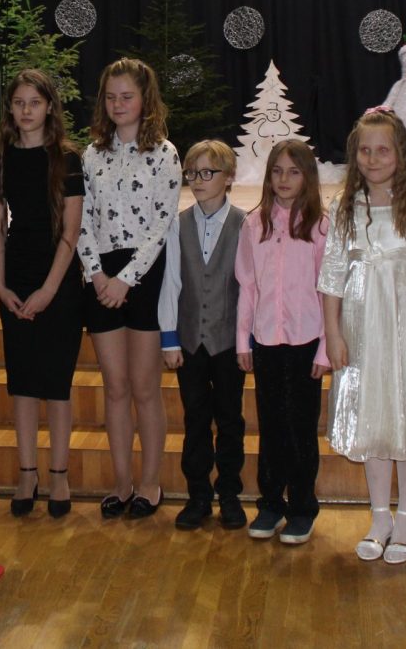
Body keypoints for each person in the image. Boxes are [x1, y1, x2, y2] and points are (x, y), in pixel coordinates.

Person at [318, 108, 406, 566]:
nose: (373, 159)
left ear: (401, 154)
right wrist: (333, 332)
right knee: (372, 417)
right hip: (362, 323)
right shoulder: (344, 205)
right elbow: (332, 273)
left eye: (382, 150)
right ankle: (379, 517)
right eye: (365, 151)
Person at [76, 58, 181, 519]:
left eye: (127, 96)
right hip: (100, 276)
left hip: (144, 274)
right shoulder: (90, 155)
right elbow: (79, 220)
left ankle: (151, 483)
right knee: (115, 386)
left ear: (145, 99)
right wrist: (98, 274)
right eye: (111, 97)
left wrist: (126, 279)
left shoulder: (164, 153)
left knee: (144, 388)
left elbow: (162, 224)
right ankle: (122, 483)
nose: (118, 105)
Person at [0, 69, 85, 518]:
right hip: (17, 274)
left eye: (35, 102)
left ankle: (59, 474)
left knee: (56, 384)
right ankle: (27, 472)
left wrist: (49, 288)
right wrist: (0, 283)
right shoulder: (1, 160)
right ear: (10, 108)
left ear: (49, 107)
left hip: (58, 279)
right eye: (19, 102)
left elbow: (71, 231)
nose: (26, 110)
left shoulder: (67, 158)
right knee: (23, 383)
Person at [236, 140, 331, 546]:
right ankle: (271, 504)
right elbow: (247, 285)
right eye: (277, 171)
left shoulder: (321, 226)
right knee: (271, 425)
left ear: (307, 176)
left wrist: (326, 347)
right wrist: (243, 340)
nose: (284, 179)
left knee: (301, 429)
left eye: (293, 171)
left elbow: (329, 291)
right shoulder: (254, 224)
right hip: (266, 340)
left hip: (306, 341)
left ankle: (302, 508)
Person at [159, 139, 248, 532]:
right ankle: (198, 496)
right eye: (192, 173)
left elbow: (250, 288)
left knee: (230, 420)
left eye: (207, 172)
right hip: (190, 341)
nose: (197, 180)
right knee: (195, 419)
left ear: (228, 178)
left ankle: (229, 494)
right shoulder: (177, 225)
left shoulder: (245, 225)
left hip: (229, 342)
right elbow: (171, 283)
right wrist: (169, 338)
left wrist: (246, 341)